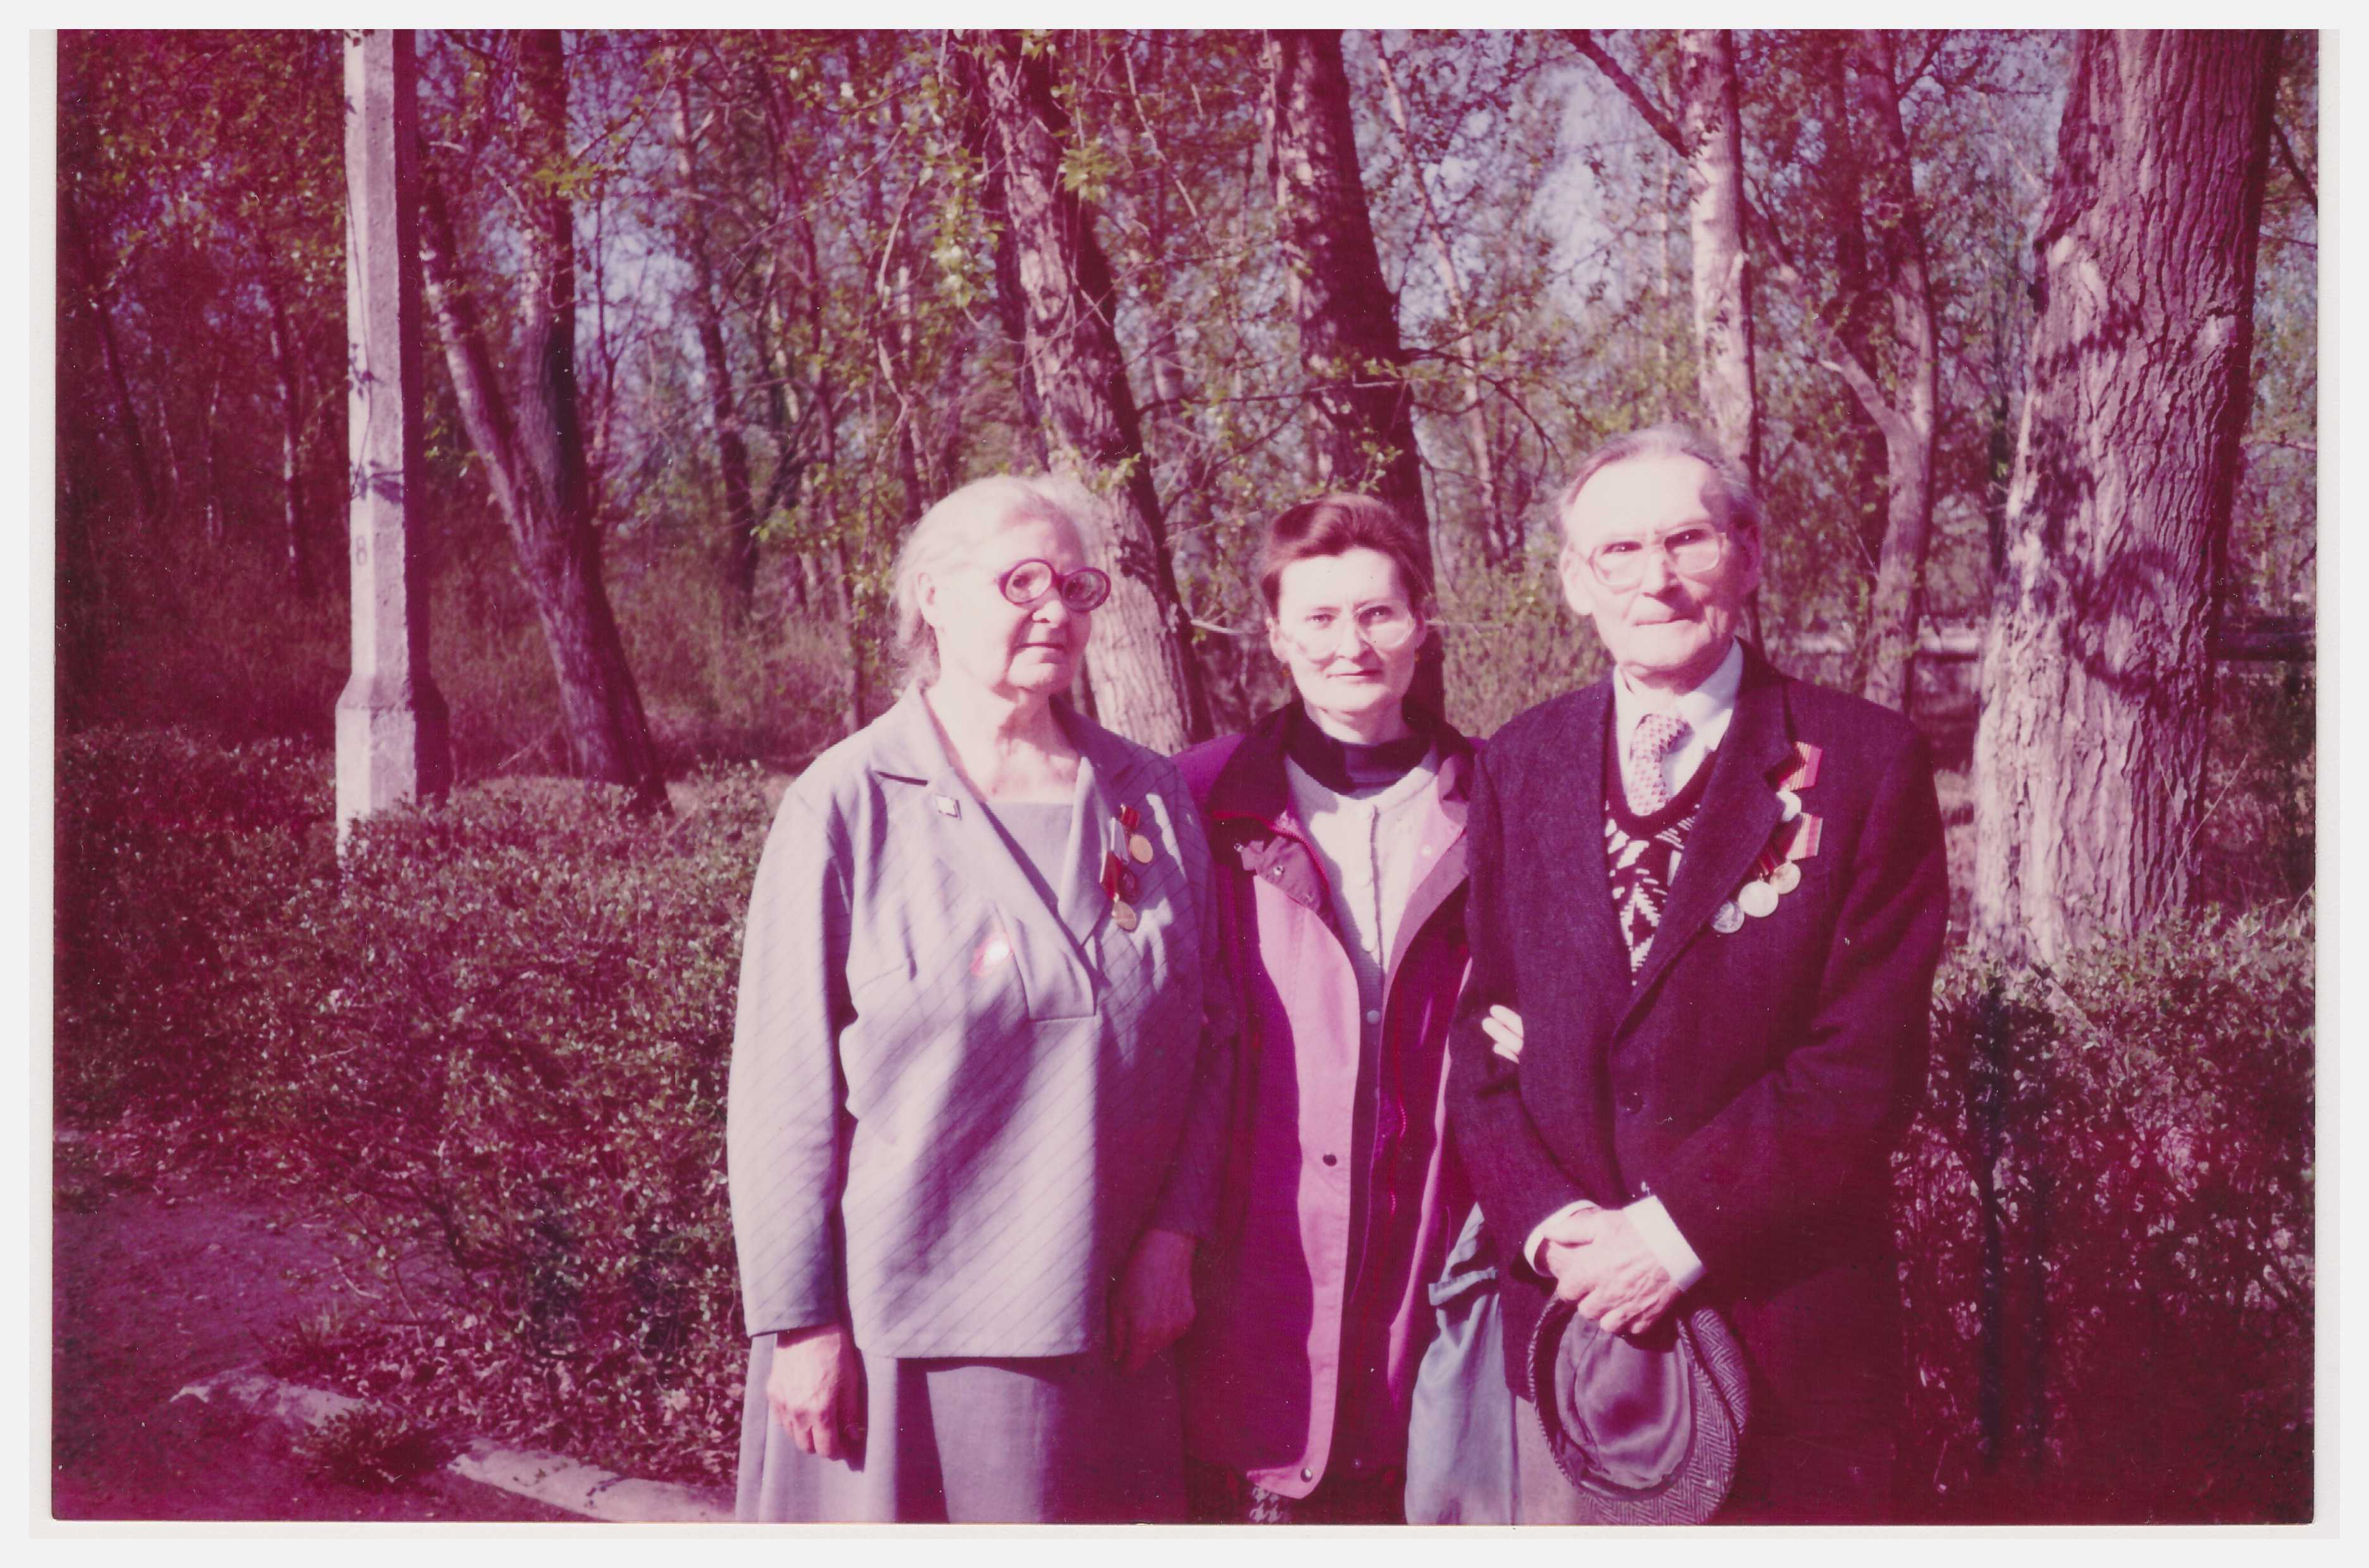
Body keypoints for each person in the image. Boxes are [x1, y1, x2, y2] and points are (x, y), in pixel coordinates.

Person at [1449, 425, 1947, 1523]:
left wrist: (1669, 1235)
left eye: (1687, 540)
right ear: (1576, 582)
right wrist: (1554, 1228)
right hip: (1575, 1338)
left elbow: (1862, 1063)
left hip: (1786, 1343)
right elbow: (1483, 1037)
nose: (1656, 579)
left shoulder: (1866, 763)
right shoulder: (1519, 762)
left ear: (1748, 555)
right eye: (1619, 551)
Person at [726, 475, 1233, 1523]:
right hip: (897, 1337)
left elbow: (1211, 1039)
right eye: (1021, 582)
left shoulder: (1149, 795)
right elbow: (782, 1090)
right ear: (934, 598)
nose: (1056, 610)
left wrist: (1175, 1239)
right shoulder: (847, 803)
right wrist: (799, 1323)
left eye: (1077, 587)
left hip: (1108, 1323)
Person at [1172, 494, 1478, 1524]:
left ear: (1422, 622)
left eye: (1378, 613)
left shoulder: (1498, 798)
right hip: (1249, 1278)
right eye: (1319, 618)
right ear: (1275, 634)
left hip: (1430, 1265)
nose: (1351, 645)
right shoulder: (1201, 798)